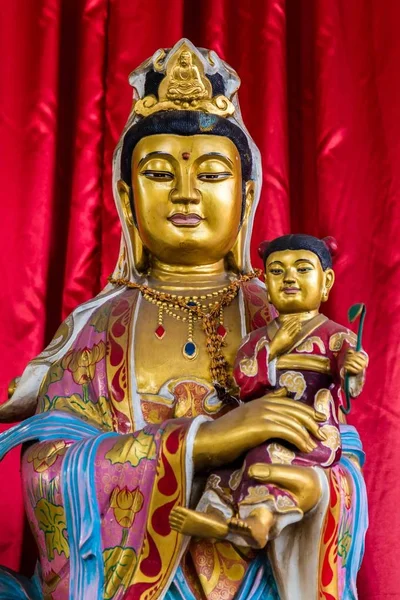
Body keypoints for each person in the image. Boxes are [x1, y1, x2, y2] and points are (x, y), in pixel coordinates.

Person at [0, 40, 367, 600]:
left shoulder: (282, 310)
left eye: (212, 173)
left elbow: (344, 461)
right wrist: (201, 441)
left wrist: (313, 489)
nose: (186, 193)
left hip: (259, 573)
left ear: (246, 197)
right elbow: (50, 473)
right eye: (159, 171)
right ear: (127, 196)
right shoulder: (98, 327)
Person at [169, 234, 368, 550]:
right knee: (224, 473)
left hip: (307, 429)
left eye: (302, 270)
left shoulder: (335, 336)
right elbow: (244, 385)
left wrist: (354, 370)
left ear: (326, 281)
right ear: (266, 283)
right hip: (257, 425)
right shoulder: (257, 339)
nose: (289, 278)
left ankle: (259, 523)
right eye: (277, 271)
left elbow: (347, 387)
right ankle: (217, 516)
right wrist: (272, 348)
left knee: (269, 460)